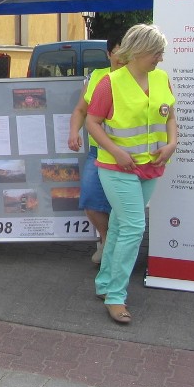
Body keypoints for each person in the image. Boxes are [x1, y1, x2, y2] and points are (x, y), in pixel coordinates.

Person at [85, 24, 177, 324]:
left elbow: (170, 116)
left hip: (151, 166)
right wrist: (118, 152)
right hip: (117, 167)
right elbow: (93, 123)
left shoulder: (162, 79)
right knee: (135, 227)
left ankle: (105, 283)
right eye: (156, 52)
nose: (160, 59)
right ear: (138, 50)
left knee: (124, 226)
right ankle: (115, 297)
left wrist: (173, 143)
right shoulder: (110, 83)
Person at [68, 30, 125, 264]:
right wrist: (73, 132)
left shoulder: (139, 77)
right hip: (98, 152)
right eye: (119, 53)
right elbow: (81, 110)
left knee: (123, 207)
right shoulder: (96, 78)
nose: (124, 58)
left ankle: (118, 251)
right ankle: (106, 240)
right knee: (90, 201)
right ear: (109, 54)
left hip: (129, 154)